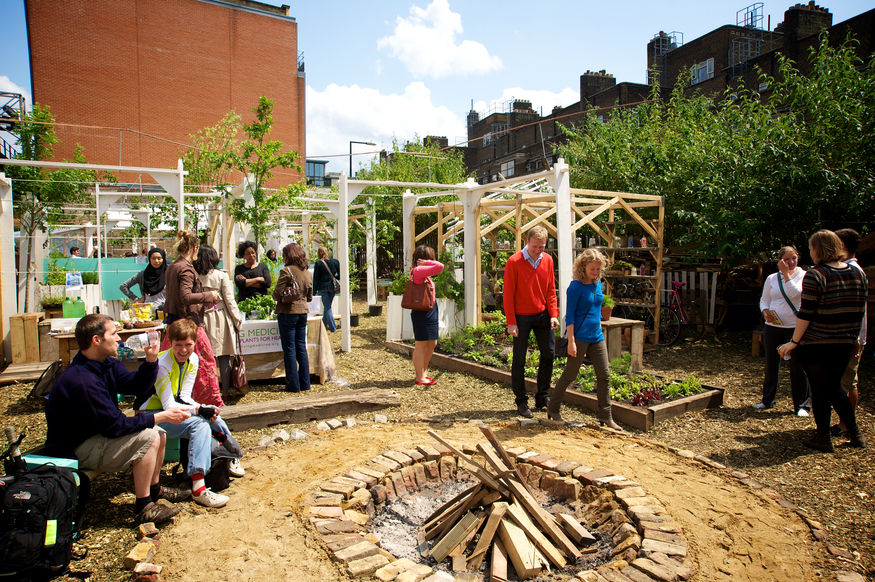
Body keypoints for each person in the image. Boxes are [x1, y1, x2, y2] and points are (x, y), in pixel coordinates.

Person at [43, 314, 191, 526]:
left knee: (159, 433)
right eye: (114, 333)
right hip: (75, 447)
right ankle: (144, 507)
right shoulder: (81, 380)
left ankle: (155, 490)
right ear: (96, 340)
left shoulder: (106, 364)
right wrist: (160, 416)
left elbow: (136, 387)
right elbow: (114, 426)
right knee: (149, 437)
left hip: (96, 434)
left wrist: (150, 360)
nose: (120, 338)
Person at [137, 319, 244, 508]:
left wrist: (204, 409)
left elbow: (185, 396)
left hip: (171, 409)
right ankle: (199, 488)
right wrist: (198, 410)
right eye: (178, 345)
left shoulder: (193, 359)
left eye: (188, 345)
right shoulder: (162, 364)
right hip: (151, 415)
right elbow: (169, 404)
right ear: (170, 343)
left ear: (195, 343)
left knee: (214, 417)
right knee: (200, 423)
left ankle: (232, 457)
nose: (183, 350)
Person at [779, 230, 867, 452]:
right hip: (844, 343)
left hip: (817, 344)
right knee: (834, 387)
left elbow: (806, 313)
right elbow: (859, 310)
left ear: (818, 249)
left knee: (820, 390)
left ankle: (823, 438)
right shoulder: (858, 273)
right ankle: (855, 434)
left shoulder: (816, 275)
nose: (810, 251)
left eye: (811, 247)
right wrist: (854, 336)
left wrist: (794, 342)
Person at [546, 249, 621, 428]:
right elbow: (569, 316)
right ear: (583, 266)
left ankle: (605, 416)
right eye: (592, 269)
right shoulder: (575, 287)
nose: (595, 273)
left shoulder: (597, 284)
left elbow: (596, 310)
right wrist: (571, 341)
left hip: (597, 336)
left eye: (598, 269)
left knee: (604, 376)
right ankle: (553, 407)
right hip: (579, 337)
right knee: (570, 375)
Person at [503, 226, 560, 418]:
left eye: (542, 247)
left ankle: (542, 396)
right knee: (519, 359)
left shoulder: (548, 261)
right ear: (527, 242)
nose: (538, 250)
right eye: (535, 246)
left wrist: (553, 314)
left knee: (549, 354)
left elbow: (551, 290)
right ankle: (521, 401)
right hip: (521, 316)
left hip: (543, 314)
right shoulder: (514, 261)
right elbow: (508, 294)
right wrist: (511, 321)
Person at [163, 230, 224, 407]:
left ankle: (177, 399)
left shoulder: (173, 266)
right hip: (188, 326)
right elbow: (185, 297)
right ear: (195, 248)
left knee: (174, 365)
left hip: (173, 324)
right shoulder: (186, 268)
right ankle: (208, 401)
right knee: (205, 364)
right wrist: (209, 295)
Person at [754, 246, 810, 415]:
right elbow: (764, 300)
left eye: (793, 258)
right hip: (773, 327)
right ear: (779, 261)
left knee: (798, 367)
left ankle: (802, 405)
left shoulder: (804, 276)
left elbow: (796, 294)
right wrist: (765, 312)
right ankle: (767, 400)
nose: (791, 262)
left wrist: (786, 275)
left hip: (795, 327)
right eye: (786, 259)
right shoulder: (771, 278)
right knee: (771, 364)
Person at [193, 244, 244, 402]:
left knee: (202, 358)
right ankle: (226, 392)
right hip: (219, 317)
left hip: (199, 319)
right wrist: (237, 321)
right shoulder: (220, 275)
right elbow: (229, 300)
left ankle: (206, 391)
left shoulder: (193, 274)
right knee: (223, 357)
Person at [833, 229, 867, 437]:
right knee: (846, 380)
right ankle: (845, 422)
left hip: (852, 338)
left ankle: (847, 425)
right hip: (850, 337)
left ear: (842, 246)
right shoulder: (851, 270)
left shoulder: (854, 272)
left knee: (847, 382)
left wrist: (855, 338)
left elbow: (857, 310)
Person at [273, 242, 313, 393]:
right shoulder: (307, 273)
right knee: (301, 347)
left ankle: (293, 384)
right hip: (302, 312)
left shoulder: (286, 271)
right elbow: (309, 297)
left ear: (288, 255)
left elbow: (276, 295)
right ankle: (305, 383)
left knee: (289, 349)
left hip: (287, 313)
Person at [409, 246, 444, 386]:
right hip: (422, 311)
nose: (433, 259)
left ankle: (423, 373)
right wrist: (427, 263)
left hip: (430, 309)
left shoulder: (423, 273)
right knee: (421, 345)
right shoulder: (418, 270)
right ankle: (419, 377)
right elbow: (440, 266)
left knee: (432, 343)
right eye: (431, 257)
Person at [313, 246, 341, 333]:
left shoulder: (318, 263)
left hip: (322, 287)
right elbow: (340, 274)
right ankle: (324, 326)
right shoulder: (335, 261)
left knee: (327, 307)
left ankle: (333, 328)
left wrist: (314, 291)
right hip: (332, 287)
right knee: (327, 307)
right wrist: (334, 278)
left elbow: (316, 279)